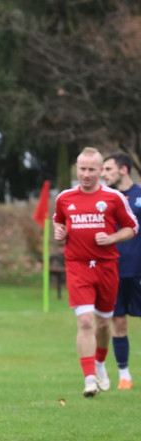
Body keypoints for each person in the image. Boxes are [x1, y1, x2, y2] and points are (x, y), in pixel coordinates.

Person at [53, 147, 139, 398]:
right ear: (76, 169)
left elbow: (132, 228)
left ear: (101, 171)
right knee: (85, 320)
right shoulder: (65, 198)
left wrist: (112, 237)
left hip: (106, 267)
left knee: (103, 324)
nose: (87, 174)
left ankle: (100, 363)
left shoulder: (114, 198)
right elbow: (59, 220)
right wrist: (60, 232)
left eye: (92, 169)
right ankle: (89, 379)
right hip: (78, 266)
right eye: (82, 169)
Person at [100, 151, 141, 389]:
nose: (103, 174)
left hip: (138, 271)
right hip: (113, 271)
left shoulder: (139, 196)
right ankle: (124, 375)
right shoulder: (104, 199)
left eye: (108, 169)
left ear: (123, 170)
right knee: (119, 322)